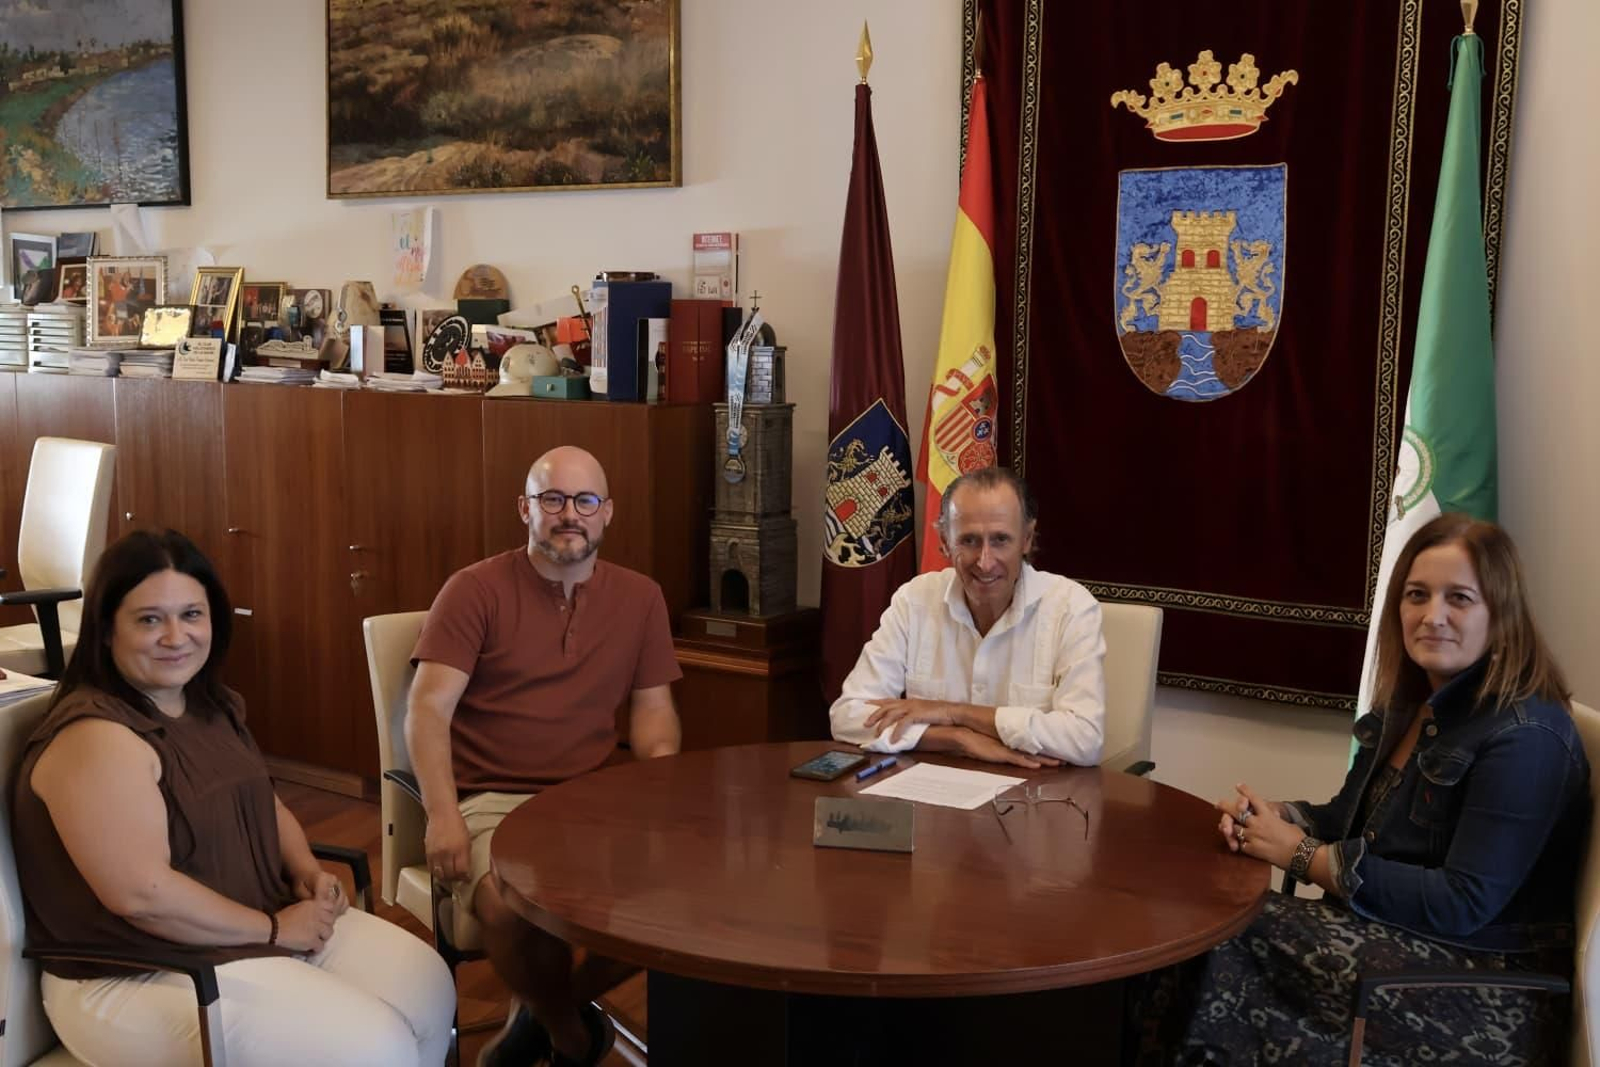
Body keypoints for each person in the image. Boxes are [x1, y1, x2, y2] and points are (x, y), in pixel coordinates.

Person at [1143, 513, 1588, 1065]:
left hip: (1480, 984)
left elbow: (1464, 903)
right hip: (1390, 938)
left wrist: (1301, 855)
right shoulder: (1411, 703)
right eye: (1417, 595)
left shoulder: (1529, 735)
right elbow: (1352, 821)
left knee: (1214, 936)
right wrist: (1280, 817)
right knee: (1186, 922)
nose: (1432, 616)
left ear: (1502, 614)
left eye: (1460, 599)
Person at [11, 529, 456, 1067]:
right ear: (106, 630)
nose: (176, 636)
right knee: (375, 1048)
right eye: (150, 619)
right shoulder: (96, 738)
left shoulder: (208, 705)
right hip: (137, 971)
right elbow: (142, 897)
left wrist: (307, 872)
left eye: (191, 614)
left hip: (243, 927)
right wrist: (275, 929)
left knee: (427, 987)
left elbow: (264, 804)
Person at [407, 445, 682, 1067]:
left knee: (674, 902)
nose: (569, 515)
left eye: (584, 501)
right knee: (508, 909)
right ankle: (572, 1036)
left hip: (592, 798)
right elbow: (427, 711)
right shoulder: (473, 590)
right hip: (490, 795)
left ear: (607, 512)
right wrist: (443, 813)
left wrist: (663, 794)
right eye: (551, 500)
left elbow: (654, 714)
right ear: (524, 509)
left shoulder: (640, 598)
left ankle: (546, 1014)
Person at [829, 466, 1107, 768]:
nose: (985, 562)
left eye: (1000, 540)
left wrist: (953, 713)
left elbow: (1085, 739)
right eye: (969, 541)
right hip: (931, 798)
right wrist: (957, 739)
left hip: (1032, 799)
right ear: (945, 541)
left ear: (1026, 539)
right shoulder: (915, 600)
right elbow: (847, 716)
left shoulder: (1071, 607)